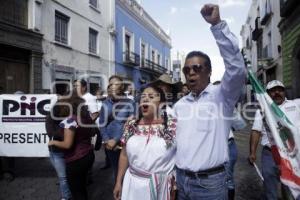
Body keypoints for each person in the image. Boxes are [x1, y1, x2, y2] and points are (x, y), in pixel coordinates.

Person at [173, 4, 246, 199]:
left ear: (209, 72)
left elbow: (237, 69)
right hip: (181, 181)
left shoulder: (222, 96)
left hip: (210, 186)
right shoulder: (179, 106)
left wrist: (217, 26)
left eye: (197, 68)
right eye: (187, 70)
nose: (191, 73)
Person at [113, 84, 177, 200]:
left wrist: (176, 181)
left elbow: (181, 154)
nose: (145, 99)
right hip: (132, 184)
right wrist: (118, 182)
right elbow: (124, 155)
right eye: (143, 97)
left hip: (161, 186)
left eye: (151, 97)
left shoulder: (172, 124)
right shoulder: (131, 124)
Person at [249, 80, 300, 200]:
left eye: (280, 90)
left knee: (293, 187)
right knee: (270, 188)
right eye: (273, 90)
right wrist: (252, 153)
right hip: (270, 154)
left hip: (293, 153)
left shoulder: (296, 104)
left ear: (284, 92)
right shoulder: (262, 110)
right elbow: (256, 131)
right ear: (267, 93)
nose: (277, 93)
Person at [48, 91, 95, 200]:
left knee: (76, 191)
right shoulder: (85, 117)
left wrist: (53, 142)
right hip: (88, 155)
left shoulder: (70, 120)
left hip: (76, 160)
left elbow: (67, 144)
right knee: (82, 187)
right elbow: (92, 132)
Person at [98, 75, 135, 181]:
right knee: (116, 171)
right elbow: (102, 123)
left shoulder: (130, 103)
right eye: (110, 84)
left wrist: (116, 139)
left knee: (126, 172)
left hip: (125, 144)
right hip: (110, 145)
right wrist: (106, 140)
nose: (112, 86)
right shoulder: (105, 103)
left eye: (116, 84)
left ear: (122, 86)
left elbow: (131, 124)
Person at [46, 99, 72, 200]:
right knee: (63, 177)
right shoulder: (51, 118)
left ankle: (66, 197)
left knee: (63, 178)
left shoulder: (69, 119)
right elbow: (51, 133)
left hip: (61, 151)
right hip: (54, 151)